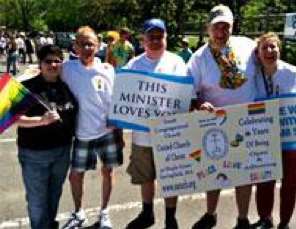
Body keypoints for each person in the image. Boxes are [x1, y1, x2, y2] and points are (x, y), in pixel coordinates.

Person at [187, 4, 257, 229]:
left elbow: (269, 60)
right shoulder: (199, 58)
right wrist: (199, 103)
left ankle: (243, 219)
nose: (220, 32)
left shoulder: (247, 45)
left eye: (225, 26)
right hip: (214, 122)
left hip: (246, 120)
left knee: (243, 175)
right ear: (208, 27)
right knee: (214, 173)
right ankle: (211, 213)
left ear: (231, 27)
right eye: (216, 26)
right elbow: (191, 91)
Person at [125, 18, 187, 229]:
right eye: (151, 37)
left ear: (166, 39)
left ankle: (171, 217)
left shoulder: (177, 62)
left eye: (160, 37)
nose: (155, 41)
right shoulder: (133, 65)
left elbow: (187, 95)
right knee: (146, 177)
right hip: (142, 134)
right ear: (142, 39)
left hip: (171, 133)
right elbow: (122, 96)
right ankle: (147, 213)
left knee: (171, 177)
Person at [61, 26, 123, 229]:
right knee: (76, 175)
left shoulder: (108, 70)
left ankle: (104, 213)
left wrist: (120, 132)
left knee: (108, 172)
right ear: (75, 46)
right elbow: (42, 74)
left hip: (108, 132)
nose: (87, 47)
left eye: (91, 44)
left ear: (98, 46)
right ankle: (79, 214)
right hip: (82, 134)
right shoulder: (66, 69)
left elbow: (117, 102)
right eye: (83, 43)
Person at [251, 32, 296, 229]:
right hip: (265, 138)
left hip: (292, 138)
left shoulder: (294, 74)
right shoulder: (253, 76)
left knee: (290, 182)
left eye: (273, 47)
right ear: (258, 53)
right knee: (265, 180)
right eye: (265, 48)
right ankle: (265, 218)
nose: (270, 51)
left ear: (279, 49)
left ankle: (284, 222)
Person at [17, 44, 78, 229]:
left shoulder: (65, 86)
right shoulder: (27, 87)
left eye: (57, 61)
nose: (53, 64)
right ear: (40, 63)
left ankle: (48, 224)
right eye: (48, 61)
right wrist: (40, 121)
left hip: (62, 150)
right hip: (35, 153)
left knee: (54, 193)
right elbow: (12, 119)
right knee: (37, 199)